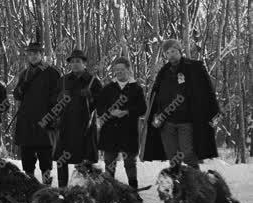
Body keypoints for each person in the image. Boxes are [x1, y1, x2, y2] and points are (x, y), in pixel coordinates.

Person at [141, 39, 219, 168]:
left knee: (187, 153)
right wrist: (156, 114)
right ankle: (178, 183)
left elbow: (207, 92)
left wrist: (214, 111)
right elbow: (156, 96)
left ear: (179, 51)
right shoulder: (163, 72)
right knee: (172, 156)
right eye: (167, 52)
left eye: (173, 51)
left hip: (187, 120)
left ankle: (196, 182)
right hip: (166, 121)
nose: (171, 54)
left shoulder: (194, 67)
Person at [52, 49, 102, 188]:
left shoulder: (93, 81)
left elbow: (102, 103)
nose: (75, 64)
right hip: (65, 126)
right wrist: (59, 97)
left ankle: (90, 190)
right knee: (62, 160)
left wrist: (91, 97)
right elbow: (53, 101)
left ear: (84, 63)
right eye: (72, 61)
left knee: (86, 161)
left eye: (78, 61)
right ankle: (62, 189)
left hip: (85, 125)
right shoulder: (62, 81)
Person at [13, 40, 61, 184]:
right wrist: (23, 87)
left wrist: (53, 117)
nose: (33, 56)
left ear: (41, 54)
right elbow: (17, 95)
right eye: (30, 54)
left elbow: (59, 97)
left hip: (44, 120)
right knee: (27, 156)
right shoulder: (24, 74)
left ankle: (46, 184)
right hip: (26, 120)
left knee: (45, 155)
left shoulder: (52, 73)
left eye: (36, 53)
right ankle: (30, 184)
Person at [96, 57, 147, 188]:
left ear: (128, 70)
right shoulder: (108, 88)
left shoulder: (136, 88)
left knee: (130, 162)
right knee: (109, 162)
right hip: (109, 131)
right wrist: (110, 112)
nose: (119, 72)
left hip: (128, 130)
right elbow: (100, 108)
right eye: (116, 70)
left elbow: (143, 108)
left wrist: (127, 111)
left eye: (122, 69)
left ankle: (133, 190)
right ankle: (109, 191)